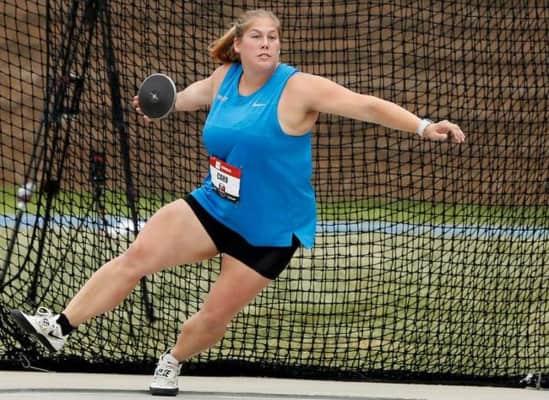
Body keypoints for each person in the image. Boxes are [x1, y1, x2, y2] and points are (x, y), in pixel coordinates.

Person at [11, 8, 465, 397]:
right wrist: (160, 103)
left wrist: (424, 127)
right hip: (215, 205)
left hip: (269, 231)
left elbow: (365, 105)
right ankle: (59, 327)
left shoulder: (299, 88)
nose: (267, 44)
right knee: (136, 257)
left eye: (273, 37)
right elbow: (188, 98)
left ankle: (173, 359)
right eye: (257, 37)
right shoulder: (223, 79)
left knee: (212, 318)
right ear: (239, 45)